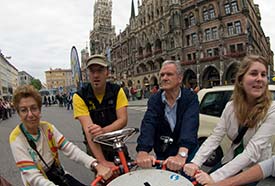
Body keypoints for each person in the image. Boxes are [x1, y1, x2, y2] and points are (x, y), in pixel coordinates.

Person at [184, 55, 275, 185]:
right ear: (241, 80)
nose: (259, 79)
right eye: (254, 73)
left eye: (263, 74)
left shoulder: (272, 109)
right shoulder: (230, 107)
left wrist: (214, 178)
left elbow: (252, 152)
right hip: (230, 160)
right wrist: (195, 162)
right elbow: (215, 136)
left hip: (251, 169)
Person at [9, 85, 112, 186]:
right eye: (24, 110)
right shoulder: (16, 139)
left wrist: (95, 164)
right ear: (18, 113)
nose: (30, 114)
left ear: (40, 110)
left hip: (58, 175)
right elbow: (33, 177)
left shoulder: (47, 128)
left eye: (34, 108)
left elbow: (70, 149)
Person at [136, 60, 199, 172]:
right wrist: (143, 151)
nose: (164, 78)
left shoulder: (190, 98)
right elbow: (148, 123)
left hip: (186, 153)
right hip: (163, 154)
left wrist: (182, 155)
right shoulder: (155, 99)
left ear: (180, 78)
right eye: (162, 75)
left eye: (169, 74)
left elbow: (190, 124)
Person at [73, 54, 129, 169]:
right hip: (95, 143)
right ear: (88, 74)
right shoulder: (79, 96)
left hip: (115, 139)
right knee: (103, 175)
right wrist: (102, 161)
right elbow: (89, 131)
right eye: (92, 71)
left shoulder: (117, 91)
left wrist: (103, 131)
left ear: (107, 72)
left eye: (100, 70)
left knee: (125, 171)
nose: (96, 75)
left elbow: (123, 120)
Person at [205, 155, 275, 186]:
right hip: (232, 159)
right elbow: (271, 165)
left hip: (252, 162)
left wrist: (214, 178)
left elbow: (249, 153)